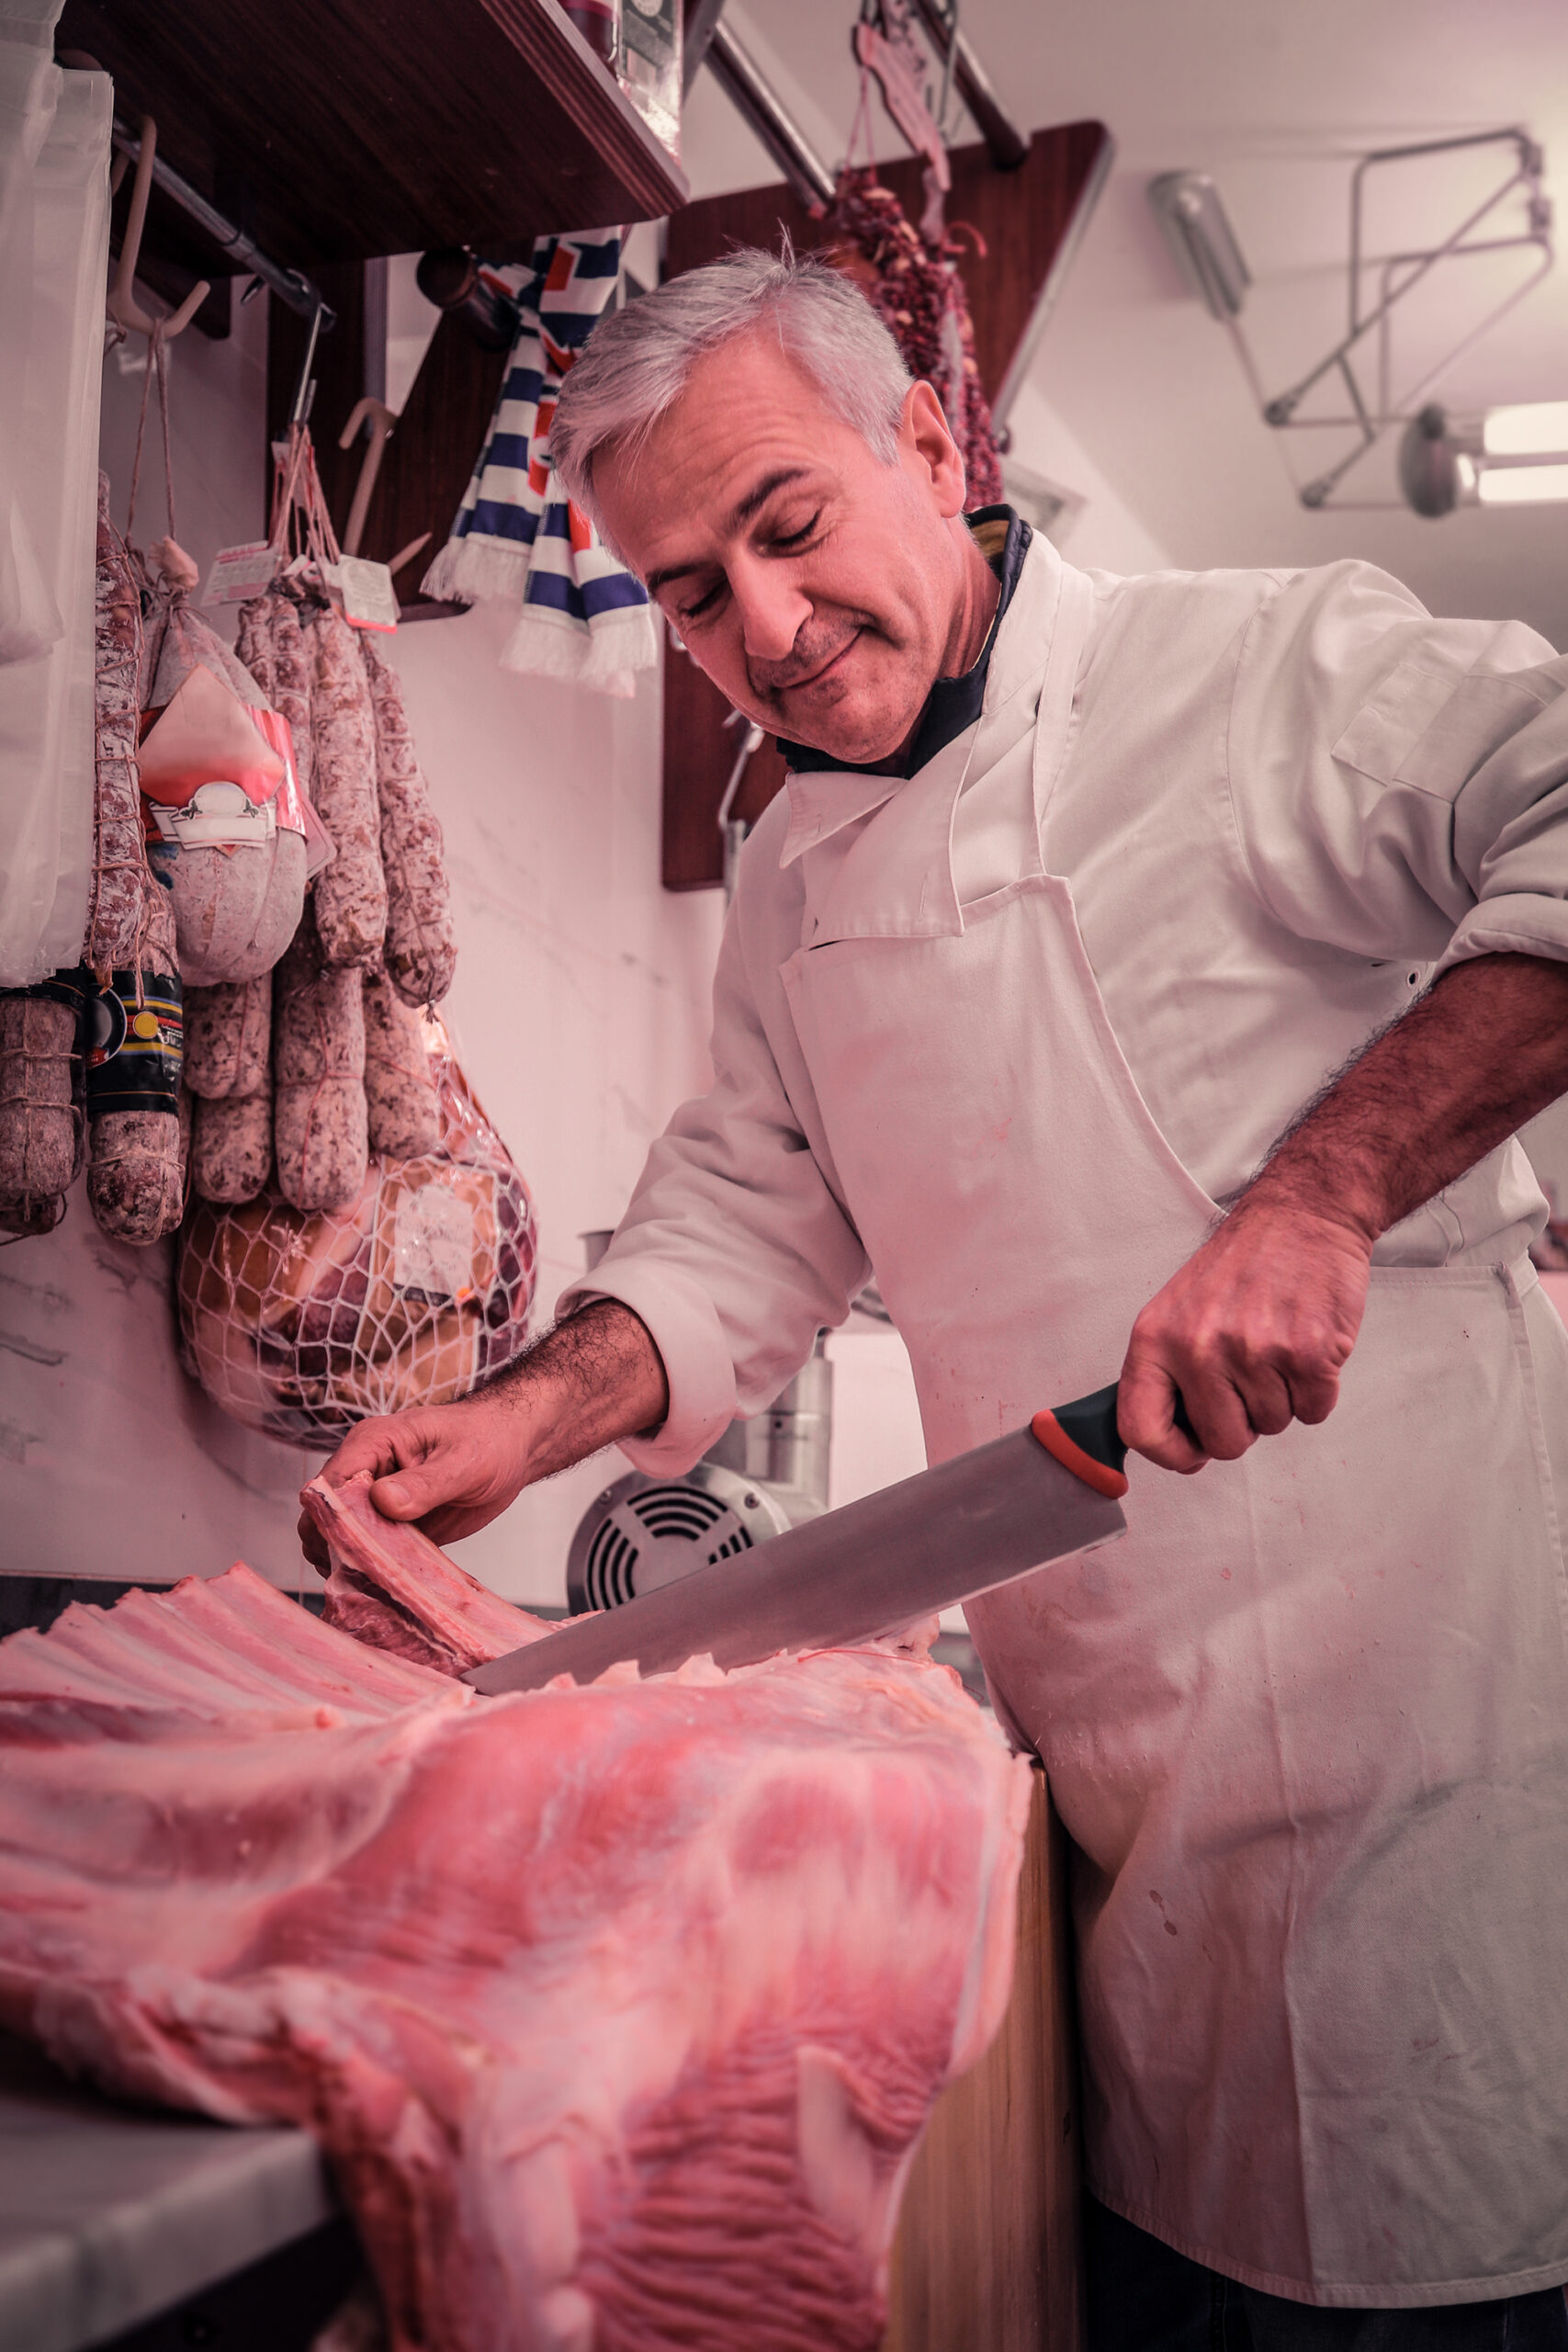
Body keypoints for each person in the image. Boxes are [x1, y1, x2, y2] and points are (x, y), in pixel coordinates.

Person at [305, 250, 1568, 2345]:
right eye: (690, 595)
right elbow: (747, 1215)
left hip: (1438, 1765)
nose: (764, 629)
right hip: (1119, 1798)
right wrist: (519, 1419)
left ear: (924, 440)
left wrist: (1322, 1197)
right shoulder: (790, 877)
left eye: (788, 524)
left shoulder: (1245, 672)